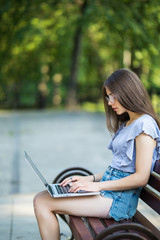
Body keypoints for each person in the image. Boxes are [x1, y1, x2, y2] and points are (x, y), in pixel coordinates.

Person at [33, 69, 160, 240]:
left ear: (128, 92)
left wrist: (97, 186)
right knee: (43, 198)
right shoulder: (129, 123)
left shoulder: (145, 125)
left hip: (117, 203)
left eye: (113, 96)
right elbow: (120, 168)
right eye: (108, 97)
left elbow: (141, 177)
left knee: (42, 201)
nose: (109, 102)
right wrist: (89, 179)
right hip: (109, 195)